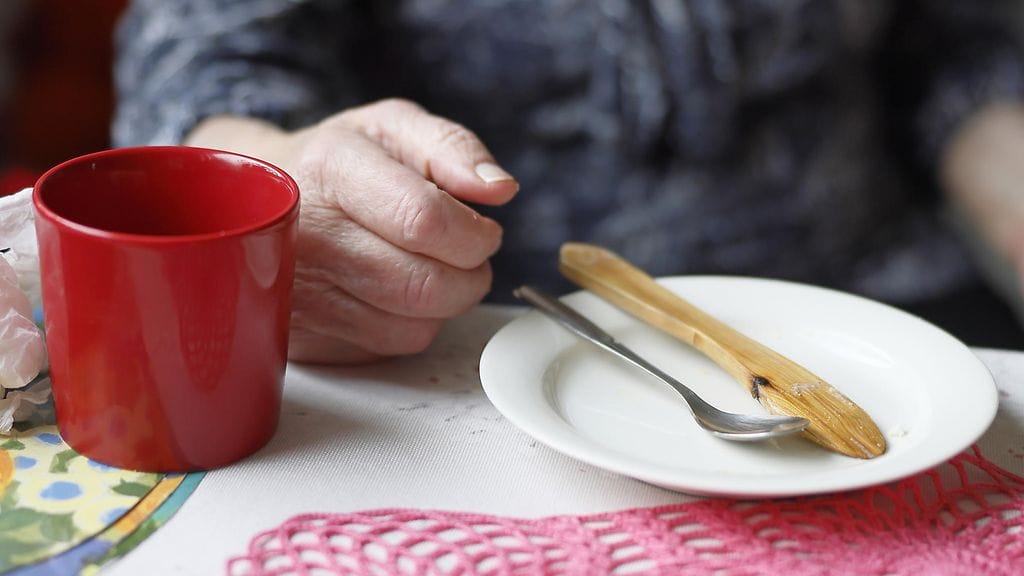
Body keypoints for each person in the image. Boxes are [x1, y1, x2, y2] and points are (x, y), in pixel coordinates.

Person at [113, 0, 1024, 363]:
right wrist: (279, 177)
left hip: (881, 301)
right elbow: (205, 56)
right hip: (493, 330)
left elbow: (950, 40)